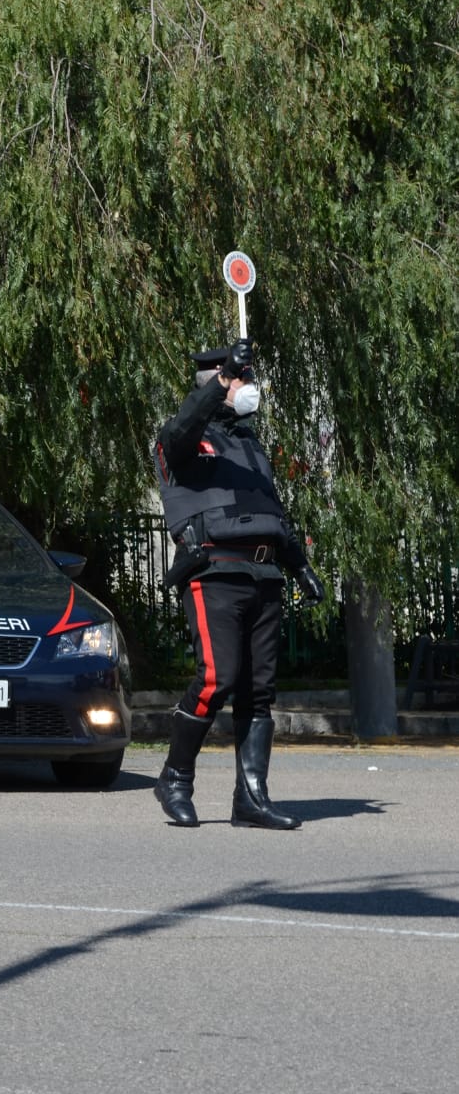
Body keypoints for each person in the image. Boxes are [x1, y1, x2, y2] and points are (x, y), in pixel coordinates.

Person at [152, 340, 325, 829]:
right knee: (216, 678)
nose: (250, 389)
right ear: (218, 382)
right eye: (240, 380)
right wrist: (224, 379)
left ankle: (251, 798)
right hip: (215, 573)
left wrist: (300, 566)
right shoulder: (181, 441)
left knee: (258, 692)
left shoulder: (250, 446)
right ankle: (175, 779)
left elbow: (273, 515)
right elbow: (183, 427)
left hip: (264, 575)